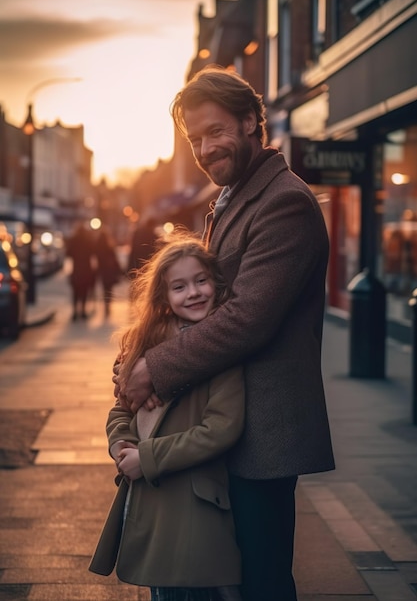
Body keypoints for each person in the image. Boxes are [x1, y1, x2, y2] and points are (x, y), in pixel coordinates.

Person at [115, 66, 335, 600]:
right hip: (226, 423)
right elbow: (204, 305)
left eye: (216, 132)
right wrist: (140, 352)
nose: (206, 148)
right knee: (221, 578)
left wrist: (156, 368)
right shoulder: (232, 197)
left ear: (250, 122)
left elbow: (247, 318)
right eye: (195, 139)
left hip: (264, 432)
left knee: (261, 581)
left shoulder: (284, 201)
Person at [90, 233, 244, 601]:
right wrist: (121, 442)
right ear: (164, 297)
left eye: (201, 280)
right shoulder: (146, 348)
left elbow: (222, 428)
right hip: (150, 501)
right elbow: (120, 409)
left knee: (191, 589)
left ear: (216, 283)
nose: (193, 292)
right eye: (179, 286)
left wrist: (148, 457)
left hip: (193, 505)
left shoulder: (222, 351)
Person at [66, 222, 96, 321]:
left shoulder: (73, 240)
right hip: (86, 269)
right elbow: (93, 253)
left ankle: (75, 312)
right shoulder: (88, 241)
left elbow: (68, 253)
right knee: (84, 291)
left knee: (75, 291)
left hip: (76, 269)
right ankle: (82, 311)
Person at [95, 226, 122, 318]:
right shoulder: (110, 246)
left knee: (104, 288)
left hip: (103, 271)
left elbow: (97, 259)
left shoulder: (98, 247)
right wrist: (119, 270)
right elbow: (115, 259)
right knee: (109, 289)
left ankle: (106, 306)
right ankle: (108, 306)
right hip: (109, 271)